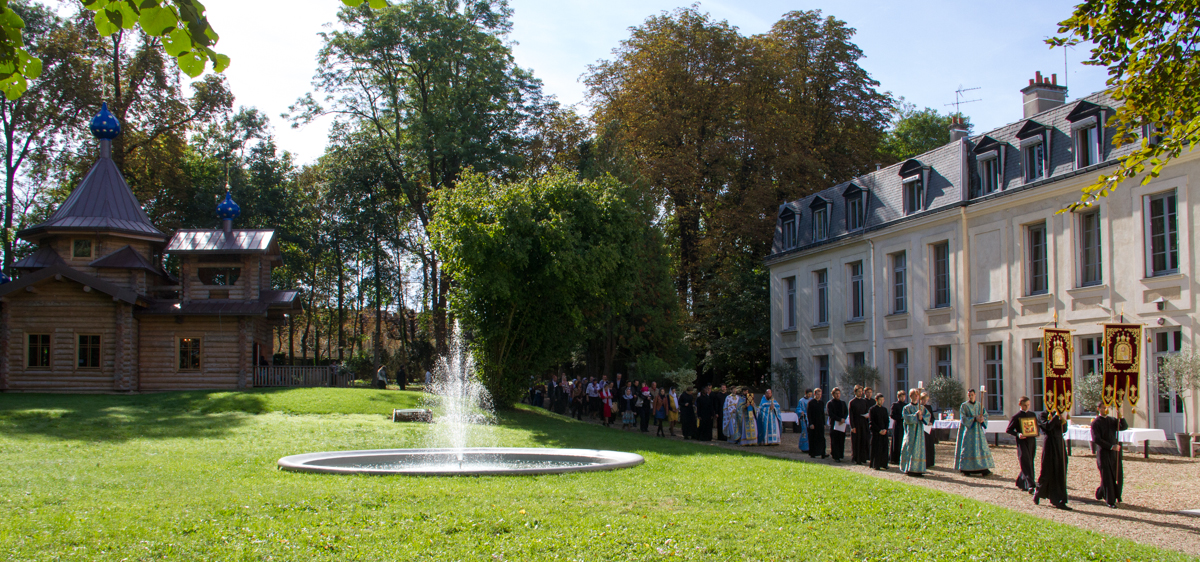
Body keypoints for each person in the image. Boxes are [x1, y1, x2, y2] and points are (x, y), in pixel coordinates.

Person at [1092, 401, 1128, 508]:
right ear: (1099, 409)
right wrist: (1111, 446)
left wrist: (1121, 416)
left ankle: (1102, 492)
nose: (1105, 409)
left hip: (1114, 453)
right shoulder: (1095, 423)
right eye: (1103, 408)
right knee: (1107, 476)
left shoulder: (1111, 420)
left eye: (1106, 407)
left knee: (1116, 475)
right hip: (1104, 453)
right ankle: (1110, 500)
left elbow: (1123, 426)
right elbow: (1096, 439)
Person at [1033, 409, 1071, 510]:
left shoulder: (1059, 415)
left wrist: (1062, 419)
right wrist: (1055, 417)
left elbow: (1064, 429)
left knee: (1060, 470)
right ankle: (1039, 491)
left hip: (1059, 443)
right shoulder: (1042, 415)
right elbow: (1048, 427)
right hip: (1050, 443)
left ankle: (1059, 499)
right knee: (1047, 470)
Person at [954, 388, 995, 476]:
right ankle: (966, 468)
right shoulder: (964, 405)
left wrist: (982, 419)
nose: (970, 396)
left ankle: (983, 467)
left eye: (972, 395)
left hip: (978, 431)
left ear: (975, 395)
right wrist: (974, 419)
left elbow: (985, 415)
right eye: (969, 395)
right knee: (968, 449)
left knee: (981, 448)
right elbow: (963, 418)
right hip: (969, 431)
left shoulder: (979, 405)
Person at [1005, 396, 1038, 492]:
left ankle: (1021, 481)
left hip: (1031, 441)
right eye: (1024, 405)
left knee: (1030, 461)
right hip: (1022, 442)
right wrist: (1018, 434)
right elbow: (1009, 430)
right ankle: (1031, 484)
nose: (1027, 407)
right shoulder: (1016, 416)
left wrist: (1036, 432)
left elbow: (1036, 426)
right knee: (1025, 461)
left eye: (1028, 405)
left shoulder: (1032, 414)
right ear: (1020, 405)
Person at [899, 389, 928, 476]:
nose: (916, 397)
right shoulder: (906, 408)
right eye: (914, 395)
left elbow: (927, 416)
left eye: (917, 395)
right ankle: (909, 468)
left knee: (919, 449)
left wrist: (922, 417)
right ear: (910, 396)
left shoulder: (922, 408)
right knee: (909, 448)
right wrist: (916, 415)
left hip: (919, 432)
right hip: (910, 432)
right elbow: (906, 418)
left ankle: (919, 469)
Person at [849, 385, 872, 465]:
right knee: (856, 441)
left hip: (863, 423)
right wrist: (852, 426)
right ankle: (856, 458)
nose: (860, 393)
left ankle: (863, 457)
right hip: (856, 423)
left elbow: (867, 411)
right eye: (859, 391)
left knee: (864, 440)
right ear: (855, 392)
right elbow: (851, 415)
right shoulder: (852, 402)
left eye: (861, 391)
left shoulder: (864, 401)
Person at [869, 393, 891, 470]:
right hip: (876, 432)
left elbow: (887, 421)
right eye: (880, 400)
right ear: (876, 400)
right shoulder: (872, 409)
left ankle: (884, 464)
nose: (881, 401)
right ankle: (876, 464)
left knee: (884, 448)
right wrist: (879, 430)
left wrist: (885, 429)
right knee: (876, 448)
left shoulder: (884, 410)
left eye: (882, 400)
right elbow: (872, 422)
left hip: (884, 432)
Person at [827, 387, 848, 462]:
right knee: (835, 440)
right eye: (836, 394)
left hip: (842, 424)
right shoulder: (830, 403)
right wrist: (839, 419)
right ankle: (835, 456)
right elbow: (831, 414)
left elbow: (846, 412)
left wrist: (843, 418)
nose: (838, 395)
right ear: (833, 394)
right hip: (834, 424)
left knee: (841, 440)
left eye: (839, 393)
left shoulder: (843, 403)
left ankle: (840, 454)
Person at [806, 388, 827, 459]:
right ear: (815, 394)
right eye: (818, 394)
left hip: (820, 423)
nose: (819, 396)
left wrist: (824, 424)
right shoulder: (811, 403)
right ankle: (813, 453)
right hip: (814, 423)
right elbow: (809, 414)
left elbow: (822, 414)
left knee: (821, 438)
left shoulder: (821, 403)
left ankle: (822, 453)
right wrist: (811, 423)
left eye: (820, 395)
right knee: (813, 438)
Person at [890, 390, 907, 464]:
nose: (903, 398)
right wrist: (900, 417)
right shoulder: (895, 405)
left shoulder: (906, 405)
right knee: (897, 441)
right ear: (898, 397)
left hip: (904, 425)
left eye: (903, 396)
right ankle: (895, 458)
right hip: (898, 425)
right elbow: (892, 415)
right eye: (901, 396)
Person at [921, 392, 936, 467]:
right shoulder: (919, 407)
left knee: (929, 444)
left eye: (926, 400)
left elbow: (932, 417)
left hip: (928, 428)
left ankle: (929, 461)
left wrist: (931, 422)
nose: (924, 401)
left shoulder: (929, 407)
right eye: (923, 400)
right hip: (922, 428)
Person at [796, 389, 811, 453]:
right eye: (809, 394)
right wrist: (801, 412)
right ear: (806, 393)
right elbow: (798, 409)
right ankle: (804, 447)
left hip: (810, 418)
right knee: (804, 432)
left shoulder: (811, 400)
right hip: (804, 418)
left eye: (811, 394)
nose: (810, 395)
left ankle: (810, 447)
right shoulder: (801, 401)